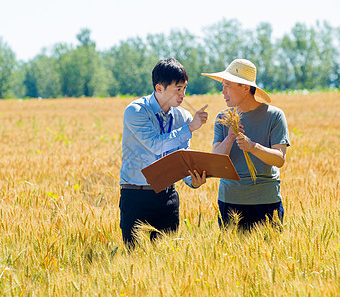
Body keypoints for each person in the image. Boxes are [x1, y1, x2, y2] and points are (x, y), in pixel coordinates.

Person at [119, 57, 208, 247]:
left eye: (184, 88)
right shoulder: (136, 111)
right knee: (135, 261)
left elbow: (182, 157)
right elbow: (154, 144)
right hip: (136, 195)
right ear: (159, 88)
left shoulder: (183, 117)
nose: (183, 94)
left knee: (167, 261)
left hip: (168, 198)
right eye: (178, 89)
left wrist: (193, 180)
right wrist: (190, 128)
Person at [202, 59, 290, 231]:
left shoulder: (274, 116)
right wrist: (229, 138)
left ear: (245, 87)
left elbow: (279, 160)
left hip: (266, 202)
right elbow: (216, 160)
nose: (223, 91)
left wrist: (252, 146)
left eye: (227, 86)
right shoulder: (223, 117)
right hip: (229, 202)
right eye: (223, 85)